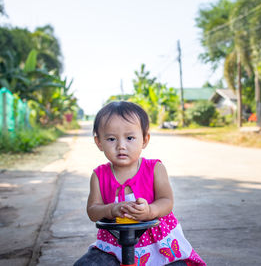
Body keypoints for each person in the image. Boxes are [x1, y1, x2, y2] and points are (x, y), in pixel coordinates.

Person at [74, 101, 206, 266]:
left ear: (144, 139)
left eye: (130, 138)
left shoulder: (154, 168)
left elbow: (167, 201)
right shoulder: (99, 176)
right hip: (113, 246)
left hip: (159, 244)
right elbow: (93, 211)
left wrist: (150, 211)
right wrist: (111, 209)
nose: (121, 146)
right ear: (99, 142)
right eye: (111, 139)